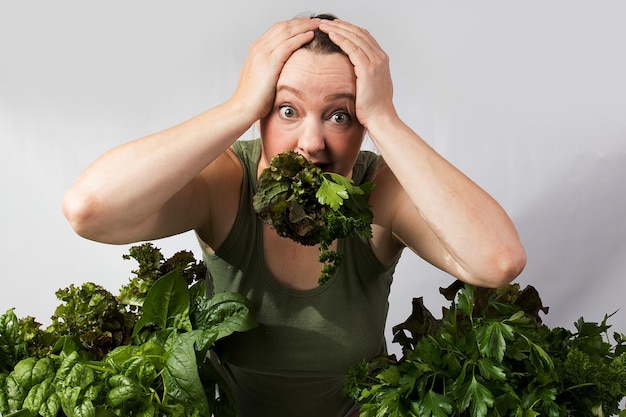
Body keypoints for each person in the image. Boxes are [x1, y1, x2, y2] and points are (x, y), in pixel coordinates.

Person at [62, 13, 526, 417]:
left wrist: (386, 118)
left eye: (340, 116)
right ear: (263, 112)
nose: (312, 142)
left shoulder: (377, 189)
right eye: (287, 110)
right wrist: (238, 106)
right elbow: (90, 210)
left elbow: (497, 261)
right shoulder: (227, 182)